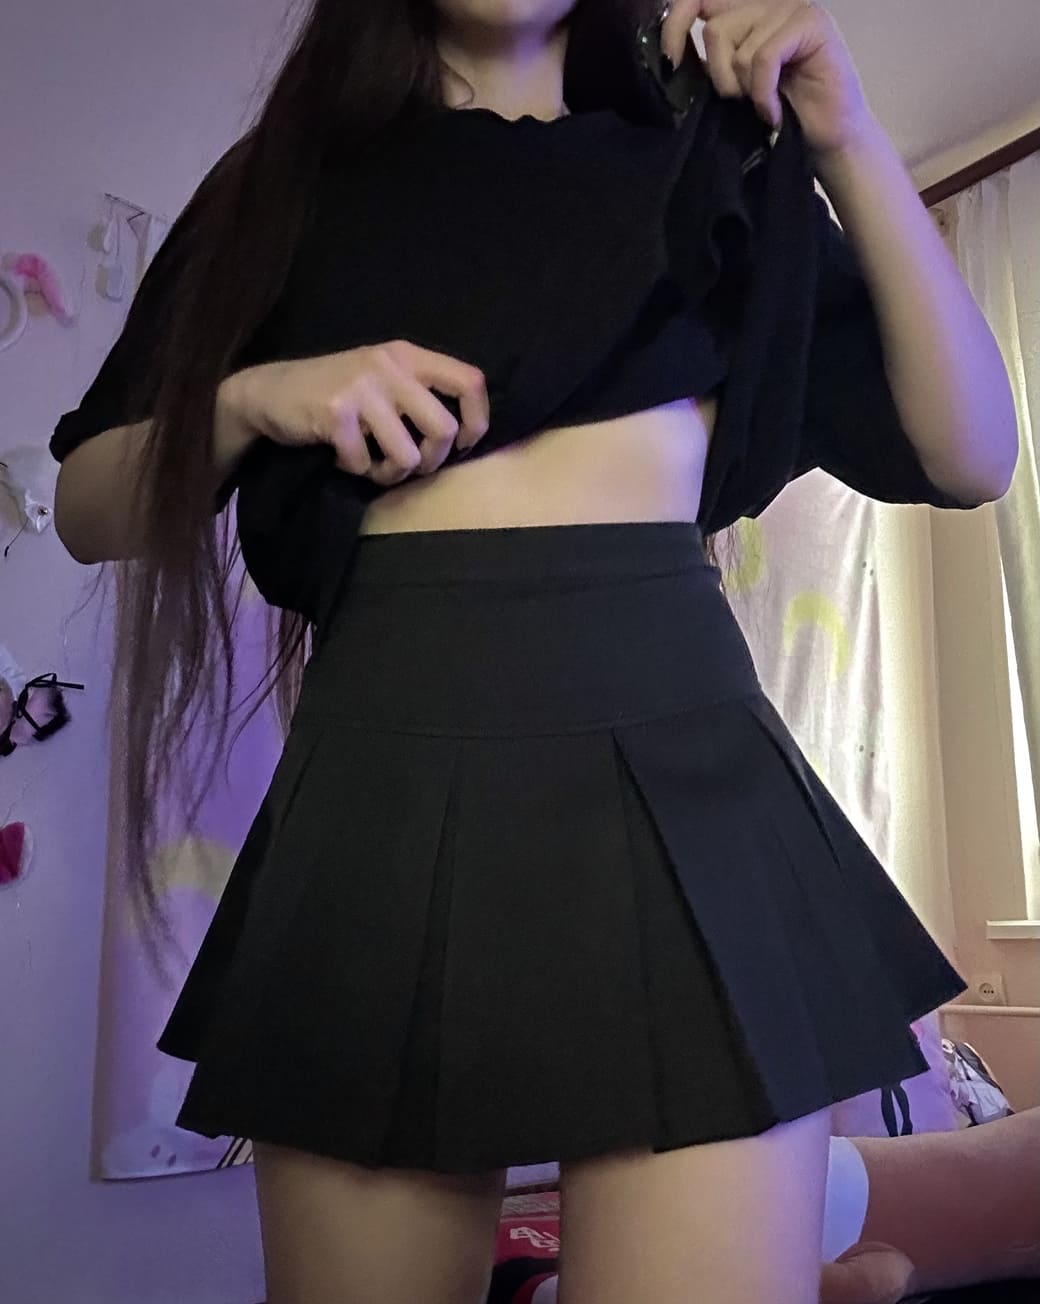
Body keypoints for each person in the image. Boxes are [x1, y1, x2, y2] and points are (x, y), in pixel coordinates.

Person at [50, 1, 1019, 1301]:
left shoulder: (713, 153)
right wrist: (257, 399)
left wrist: (845, 135)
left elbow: (974, 454)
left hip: (690, 785)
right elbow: (91, 503)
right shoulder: (286, 181)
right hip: (381, 790)